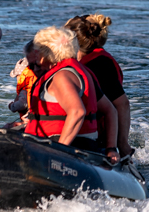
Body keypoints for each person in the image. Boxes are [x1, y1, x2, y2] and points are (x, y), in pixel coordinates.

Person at [21, 26, 114, 159]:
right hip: (87, 145)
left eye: (38, 50)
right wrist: (111, 148)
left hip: (65, 146)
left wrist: (59, 151)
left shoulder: (61, 77)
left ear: (47, 52)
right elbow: (111, 110)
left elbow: (77, 112)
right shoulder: (81, 72)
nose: (36, 55)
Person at [67, 14, 132, 160]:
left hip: (96, 138)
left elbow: (122, 104)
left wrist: (120, 145)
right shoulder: (76, 65)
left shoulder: (100, 64)